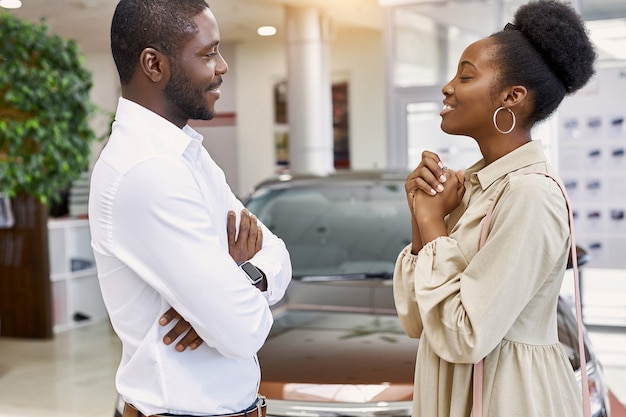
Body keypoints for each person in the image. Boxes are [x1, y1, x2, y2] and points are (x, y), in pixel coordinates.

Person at [88, 1, 292, 416]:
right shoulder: (147, 171)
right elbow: (241, 329)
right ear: (154, 65)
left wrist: (239, 280)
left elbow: (280, 254)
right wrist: (224, 306)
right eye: (207, 53)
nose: (222, 67)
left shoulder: (187, 155)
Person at [392, 1, 596, 416]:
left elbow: (464, 336)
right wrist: (423, 216)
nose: (448, 87)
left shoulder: (530, 194)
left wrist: (433, 221)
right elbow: (417, 321)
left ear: (512, 97)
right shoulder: (472, 189)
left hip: (509, 398)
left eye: (465, 76)